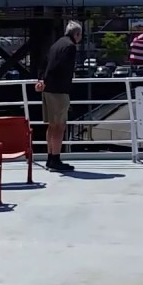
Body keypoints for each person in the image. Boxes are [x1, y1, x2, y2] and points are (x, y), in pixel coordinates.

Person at [36, 20, 81, 172]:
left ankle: (50, 158)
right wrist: (47, 80)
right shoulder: (70, 47)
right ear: (76, 34)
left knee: (51, 125)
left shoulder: (56, 44)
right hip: (59, 91)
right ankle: (55, 159)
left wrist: (41, 80)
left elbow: (44, 63)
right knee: (60, 126)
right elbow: (58, 67)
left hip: (48, 90)